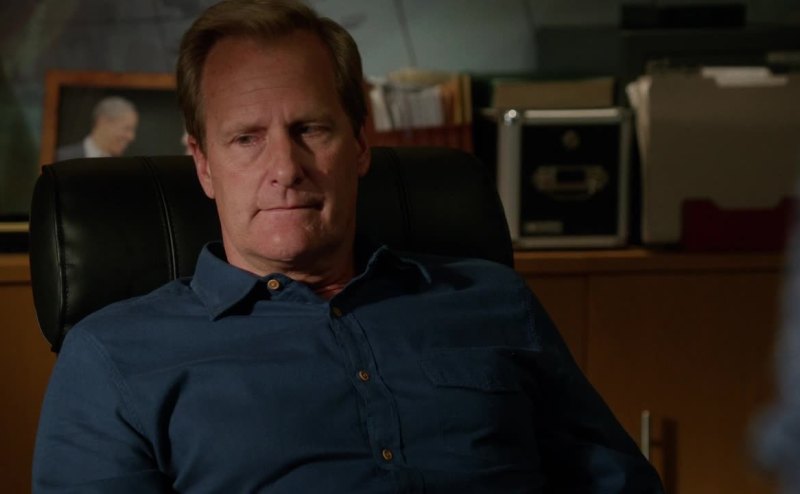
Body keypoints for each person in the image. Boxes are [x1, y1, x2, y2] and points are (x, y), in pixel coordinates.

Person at [32, 1, 665, 492]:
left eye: (310, 129)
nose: (286, 169)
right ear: (203, 164)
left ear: (361, 143)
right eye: (247, 139)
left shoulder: (495, 301)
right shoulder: (113, 358)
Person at [55, 95, 138, 161]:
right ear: (103, 122)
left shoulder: (125, 169)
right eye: (126, 128)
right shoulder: (59, 158)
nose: (131, 137)